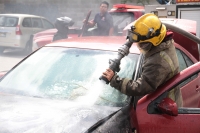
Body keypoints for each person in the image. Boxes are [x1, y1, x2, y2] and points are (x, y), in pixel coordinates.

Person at [102, 13, 183, 107]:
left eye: (143, 44)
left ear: (156, 40)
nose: (140, 47)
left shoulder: (158, 61)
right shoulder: (162, 41)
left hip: (165, 108)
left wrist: (115, 80)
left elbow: (142, 87)